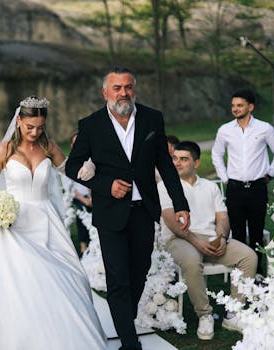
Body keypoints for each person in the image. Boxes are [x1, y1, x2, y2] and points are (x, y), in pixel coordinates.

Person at [0, 96, 107, 349]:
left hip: (46, 221)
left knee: (66, 277)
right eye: (30, 127)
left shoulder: (48, 146)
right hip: (12, 223)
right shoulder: (4, 151)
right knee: (15, 279)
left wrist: (91, 170)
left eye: (40, 127)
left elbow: (70, 171)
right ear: (19, 121)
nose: (35, 132)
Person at [66, 66, 190, 350]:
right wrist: (104, 184)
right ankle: (130, 344)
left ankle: (124, 324)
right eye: (117, 88)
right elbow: (73, 166)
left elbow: (165, 165)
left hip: (144, 211)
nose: (123, 93)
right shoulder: (91, 125)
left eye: (128, 87)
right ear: (105, 93)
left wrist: (180, 204)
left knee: (139, 272)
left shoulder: (152, 118)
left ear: (134, 89)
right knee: (118, 280)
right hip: (111, 214)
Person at [158, 141, 257, 340]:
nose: (177, 163)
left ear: (196, 163)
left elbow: (222, 218)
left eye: (183, 159)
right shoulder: (164, 186)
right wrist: (197, 242)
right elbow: (172, 222)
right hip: (179, 239)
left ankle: (233, 313)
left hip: (209, 237)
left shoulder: (210, 187)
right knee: (192, 261)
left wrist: (220, 238)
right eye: (175, 158)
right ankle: (205, 315)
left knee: (249, 256)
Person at [212, 88, 274, 274]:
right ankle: (239, 272)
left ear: (250, 107)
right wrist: (224, 177)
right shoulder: (225, 130)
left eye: (240, 105)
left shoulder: (264, 129)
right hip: (235, 189)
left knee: (256, 232)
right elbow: (216, 154)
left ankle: (256, 272)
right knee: (236, 233)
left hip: (257, 188)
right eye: (233, 106)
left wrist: (270, 174)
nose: (235, 109)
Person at [69, 130, 93, 254]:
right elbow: (69, 187)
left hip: (91, 196)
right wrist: (82, 199)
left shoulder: (91, 160)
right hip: (77, 197)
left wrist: (90, 199)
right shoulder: (69, 163)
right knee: (81, 209)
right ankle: (83, 247)